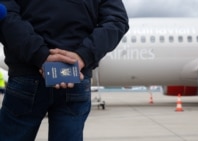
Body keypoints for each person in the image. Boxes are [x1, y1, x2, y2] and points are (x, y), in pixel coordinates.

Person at [0, 0, 129, 141]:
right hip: (74, 75)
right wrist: (82, 56)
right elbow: (117, 20)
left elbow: (7, 17)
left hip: (28, 73)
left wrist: (40, 55)